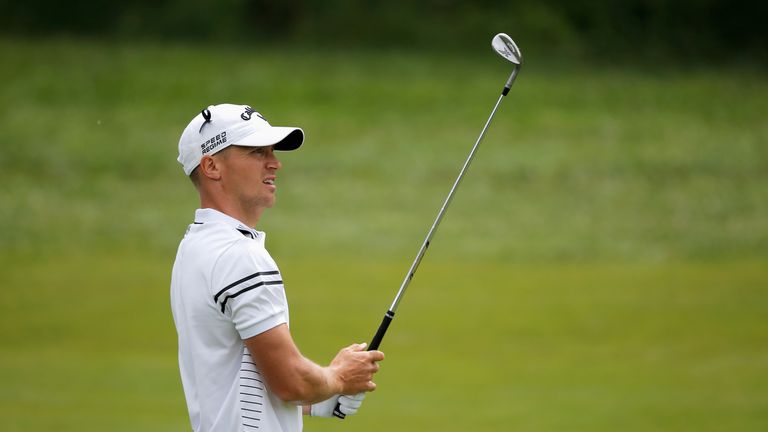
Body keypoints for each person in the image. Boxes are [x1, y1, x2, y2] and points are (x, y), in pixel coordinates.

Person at [170, 103, 384, 432]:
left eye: (272, 151)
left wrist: (319, 397)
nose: (275, 163)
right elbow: (289, 382)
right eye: (257, 152)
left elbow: (238, 378)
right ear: (212, 166)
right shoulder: (239, 256)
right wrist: (337, 377)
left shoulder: (195, 246)